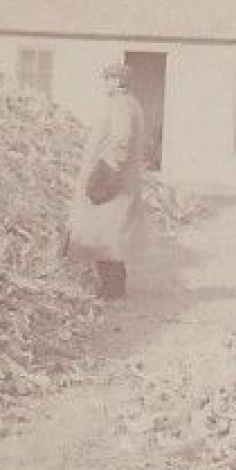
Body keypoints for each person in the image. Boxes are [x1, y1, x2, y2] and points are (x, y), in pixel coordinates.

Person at [64, 62, 147, 299]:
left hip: (111, 179)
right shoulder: (131, 104)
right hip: (119, 178)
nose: (105, 82)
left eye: (109, 78)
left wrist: (106, 171)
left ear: (118, 81)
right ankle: (113, 283)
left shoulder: (120, 104)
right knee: (110, 232)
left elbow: (122, 139)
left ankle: (111, 287)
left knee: (103, 232)